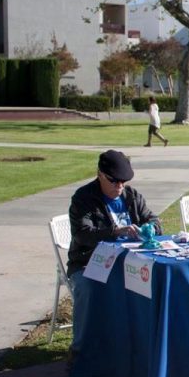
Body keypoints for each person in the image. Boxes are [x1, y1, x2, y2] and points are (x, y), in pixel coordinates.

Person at [67, 150, 162, 360]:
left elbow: (154, 220)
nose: (119, 187)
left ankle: (143, 343)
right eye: (114, 181)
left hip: (130, 261)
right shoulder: (84, 198)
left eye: (123, 182)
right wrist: (115, 232)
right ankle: (79, 350)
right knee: (86, 286)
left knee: (156, 281)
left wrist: (150, 228)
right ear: (100, 174)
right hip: (90, 260)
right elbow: (82, 235)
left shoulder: (132, 196)